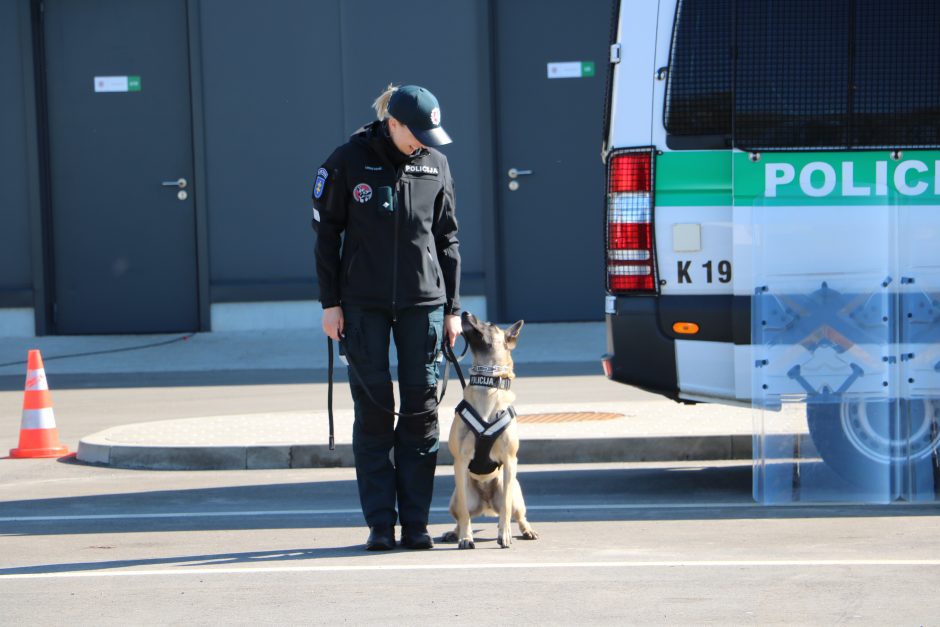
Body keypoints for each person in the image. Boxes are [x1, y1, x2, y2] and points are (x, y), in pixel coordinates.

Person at [311, 84, 462, 551]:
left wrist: (453, 309)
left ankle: (415, 523)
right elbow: (325, 238)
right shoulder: (346, 160)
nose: (423, 141)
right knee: (374, 413)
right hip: (362, 305)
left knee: (420, 415)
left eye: (430, 134)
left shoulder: (435, 164)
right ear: (392, 123)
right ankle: (381, 523)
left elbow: (448, 240)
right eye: (416, 132)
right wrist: (330, 303)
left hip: (424, 305)